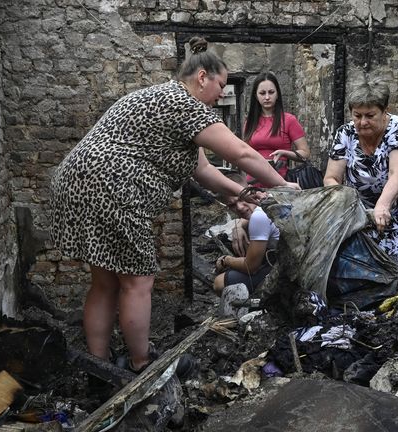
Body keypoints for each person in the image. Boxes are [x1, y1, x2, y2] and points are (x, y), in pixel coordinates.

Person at [50, 36, 300, 373]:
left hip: (77, 180)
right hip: (113, 187)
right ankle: (141, 363)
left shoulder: (164, 100)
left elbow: (204, 170)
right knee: (138, 281)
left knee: (106, 281)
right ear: (202, 78)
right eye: (221, 86)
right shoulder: (185, 105)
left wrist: (238, 195)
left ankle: (99, 366)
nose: (221, 95)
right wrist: (283, 186)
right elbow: (241, 153)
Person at [323, 80, 398, 284]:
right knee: (360, 267)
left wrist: (382, 206)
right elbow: (331, 177)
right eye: (357, 116)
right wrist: (346, 205)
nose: (362, 122)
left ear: (384, 111)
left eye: (370, 116)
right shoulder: (345, 133)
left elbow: (397, 174)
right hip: (359, 210)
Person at [243, 72, 311, 187]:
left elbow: (305, 153)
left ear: (277, 94)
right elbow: (244, 154)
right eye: (262, 93)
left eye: (271, 92)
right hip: (253, 184)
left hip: (281, 183)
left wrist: (285, 153)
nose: (267, 97)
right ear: (256, 96)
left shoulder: (289, 120)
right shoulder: (249, 123)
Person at [213, 186, 280, 295]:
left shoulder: (258, 216)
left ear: (251, 192)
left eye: (241, 199)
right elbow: (246, 219)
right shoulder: (268, 198)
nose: (239, 207)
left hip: (288, 269)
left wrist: (226, 260)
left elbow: (251, 267)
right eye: (232, 205)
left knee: (218, 283)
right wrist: (238, 226)